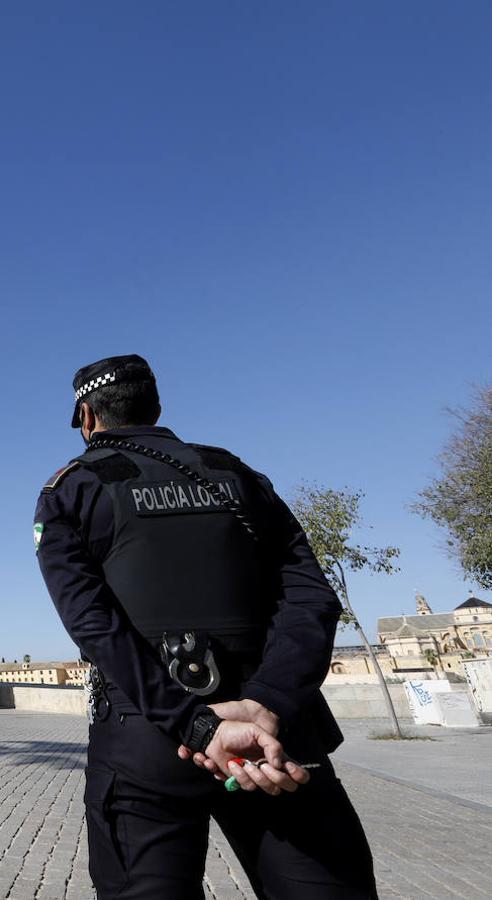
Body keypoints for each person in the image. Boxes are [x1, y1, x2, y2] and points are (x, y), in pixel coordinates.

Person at [34, 354, 377, 899]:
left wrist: (197, 726)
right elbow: (311, 596)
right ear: (158, 408)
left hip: (149, 740)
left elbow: (95, 628)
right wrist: (267, 703)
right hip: (274, 742)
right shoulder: (233, 473)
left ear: (87, 418)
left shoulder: (73, 489)